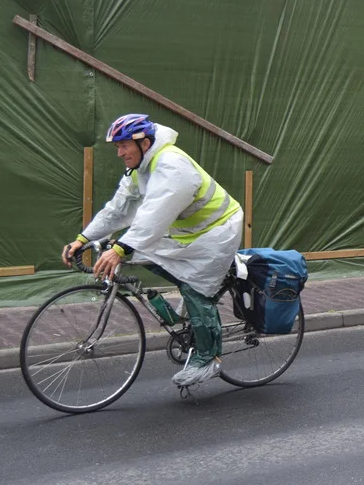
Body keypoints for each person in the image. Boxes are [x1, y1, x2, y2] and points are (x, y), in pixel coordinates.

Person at [61, 114, 244, 387]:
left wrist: (121, 248)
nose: (120, 153)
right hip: (187, 234)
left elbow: (154, 214)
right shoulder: (140, 168)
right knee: (141, 253)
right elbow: (119, 208)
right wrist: (83, 238)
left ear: (144, 143)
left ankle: (208, 359)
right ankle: (191, 300)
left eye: (124, 146)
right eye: (117, 147)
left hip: (218, 233)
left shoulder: (172, 166)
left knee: (196, 288)